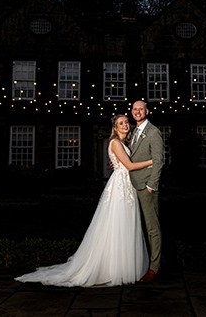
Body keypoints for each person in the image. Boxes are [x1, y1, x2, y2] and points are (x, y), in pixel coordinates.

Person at [14, 114, 153, 287]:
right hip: (120, 188)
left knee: (126, 225)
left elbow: (128, 164)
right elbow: (130, 166)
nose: (125, 124)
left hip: (127, 185)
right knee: (118, 224)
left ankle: (122, 267)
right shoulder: (116, 143)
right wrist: (152, 161)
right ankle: (115, 269)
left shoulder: (125, 143)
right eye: (121, 123)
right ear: (115, 128)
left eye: (126, 122)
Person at [129, 100, 164, 283]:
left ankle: (154, 268)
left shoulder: (154, 132)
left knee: (152, 229)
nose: (137, 111)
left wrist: (151, 185)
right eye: (134, 109)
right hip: (133, 185)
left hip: (146, 187)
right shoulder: (134, 132)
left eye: (140, 109)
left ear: (147, 111)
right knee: (137, 227)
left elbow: (159, 160)